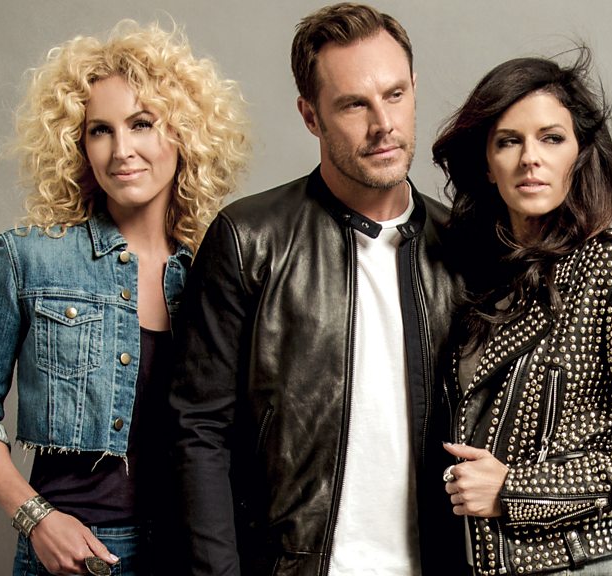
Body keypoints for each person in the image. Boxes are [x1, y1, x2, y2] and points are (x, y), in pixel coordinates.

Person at [0, 20, 248, 576]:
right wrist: (35, 518)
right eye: (100, 130)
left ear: (184, 133)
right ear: (77, 145)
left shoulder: (215, 270)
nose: (122, 150)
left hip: (192, 552)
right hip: (80, 557)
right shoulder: (28, 257)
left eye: (142, 123)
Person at [168, 3, 463, 575]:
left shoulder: (464, 248)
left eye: (395, 95)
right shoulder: (249, 239)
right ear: (310, 115)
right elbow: (197, 432)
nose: (383, 124)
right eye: (354, 104)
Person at [431, 50, 612, 576]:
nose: (530, 158)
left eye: (551, 138)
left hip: (584, 564)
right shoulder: (479, 278)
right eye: (508, 141)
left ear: (580, 154)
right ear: (487, 165)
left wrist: (518, 490)